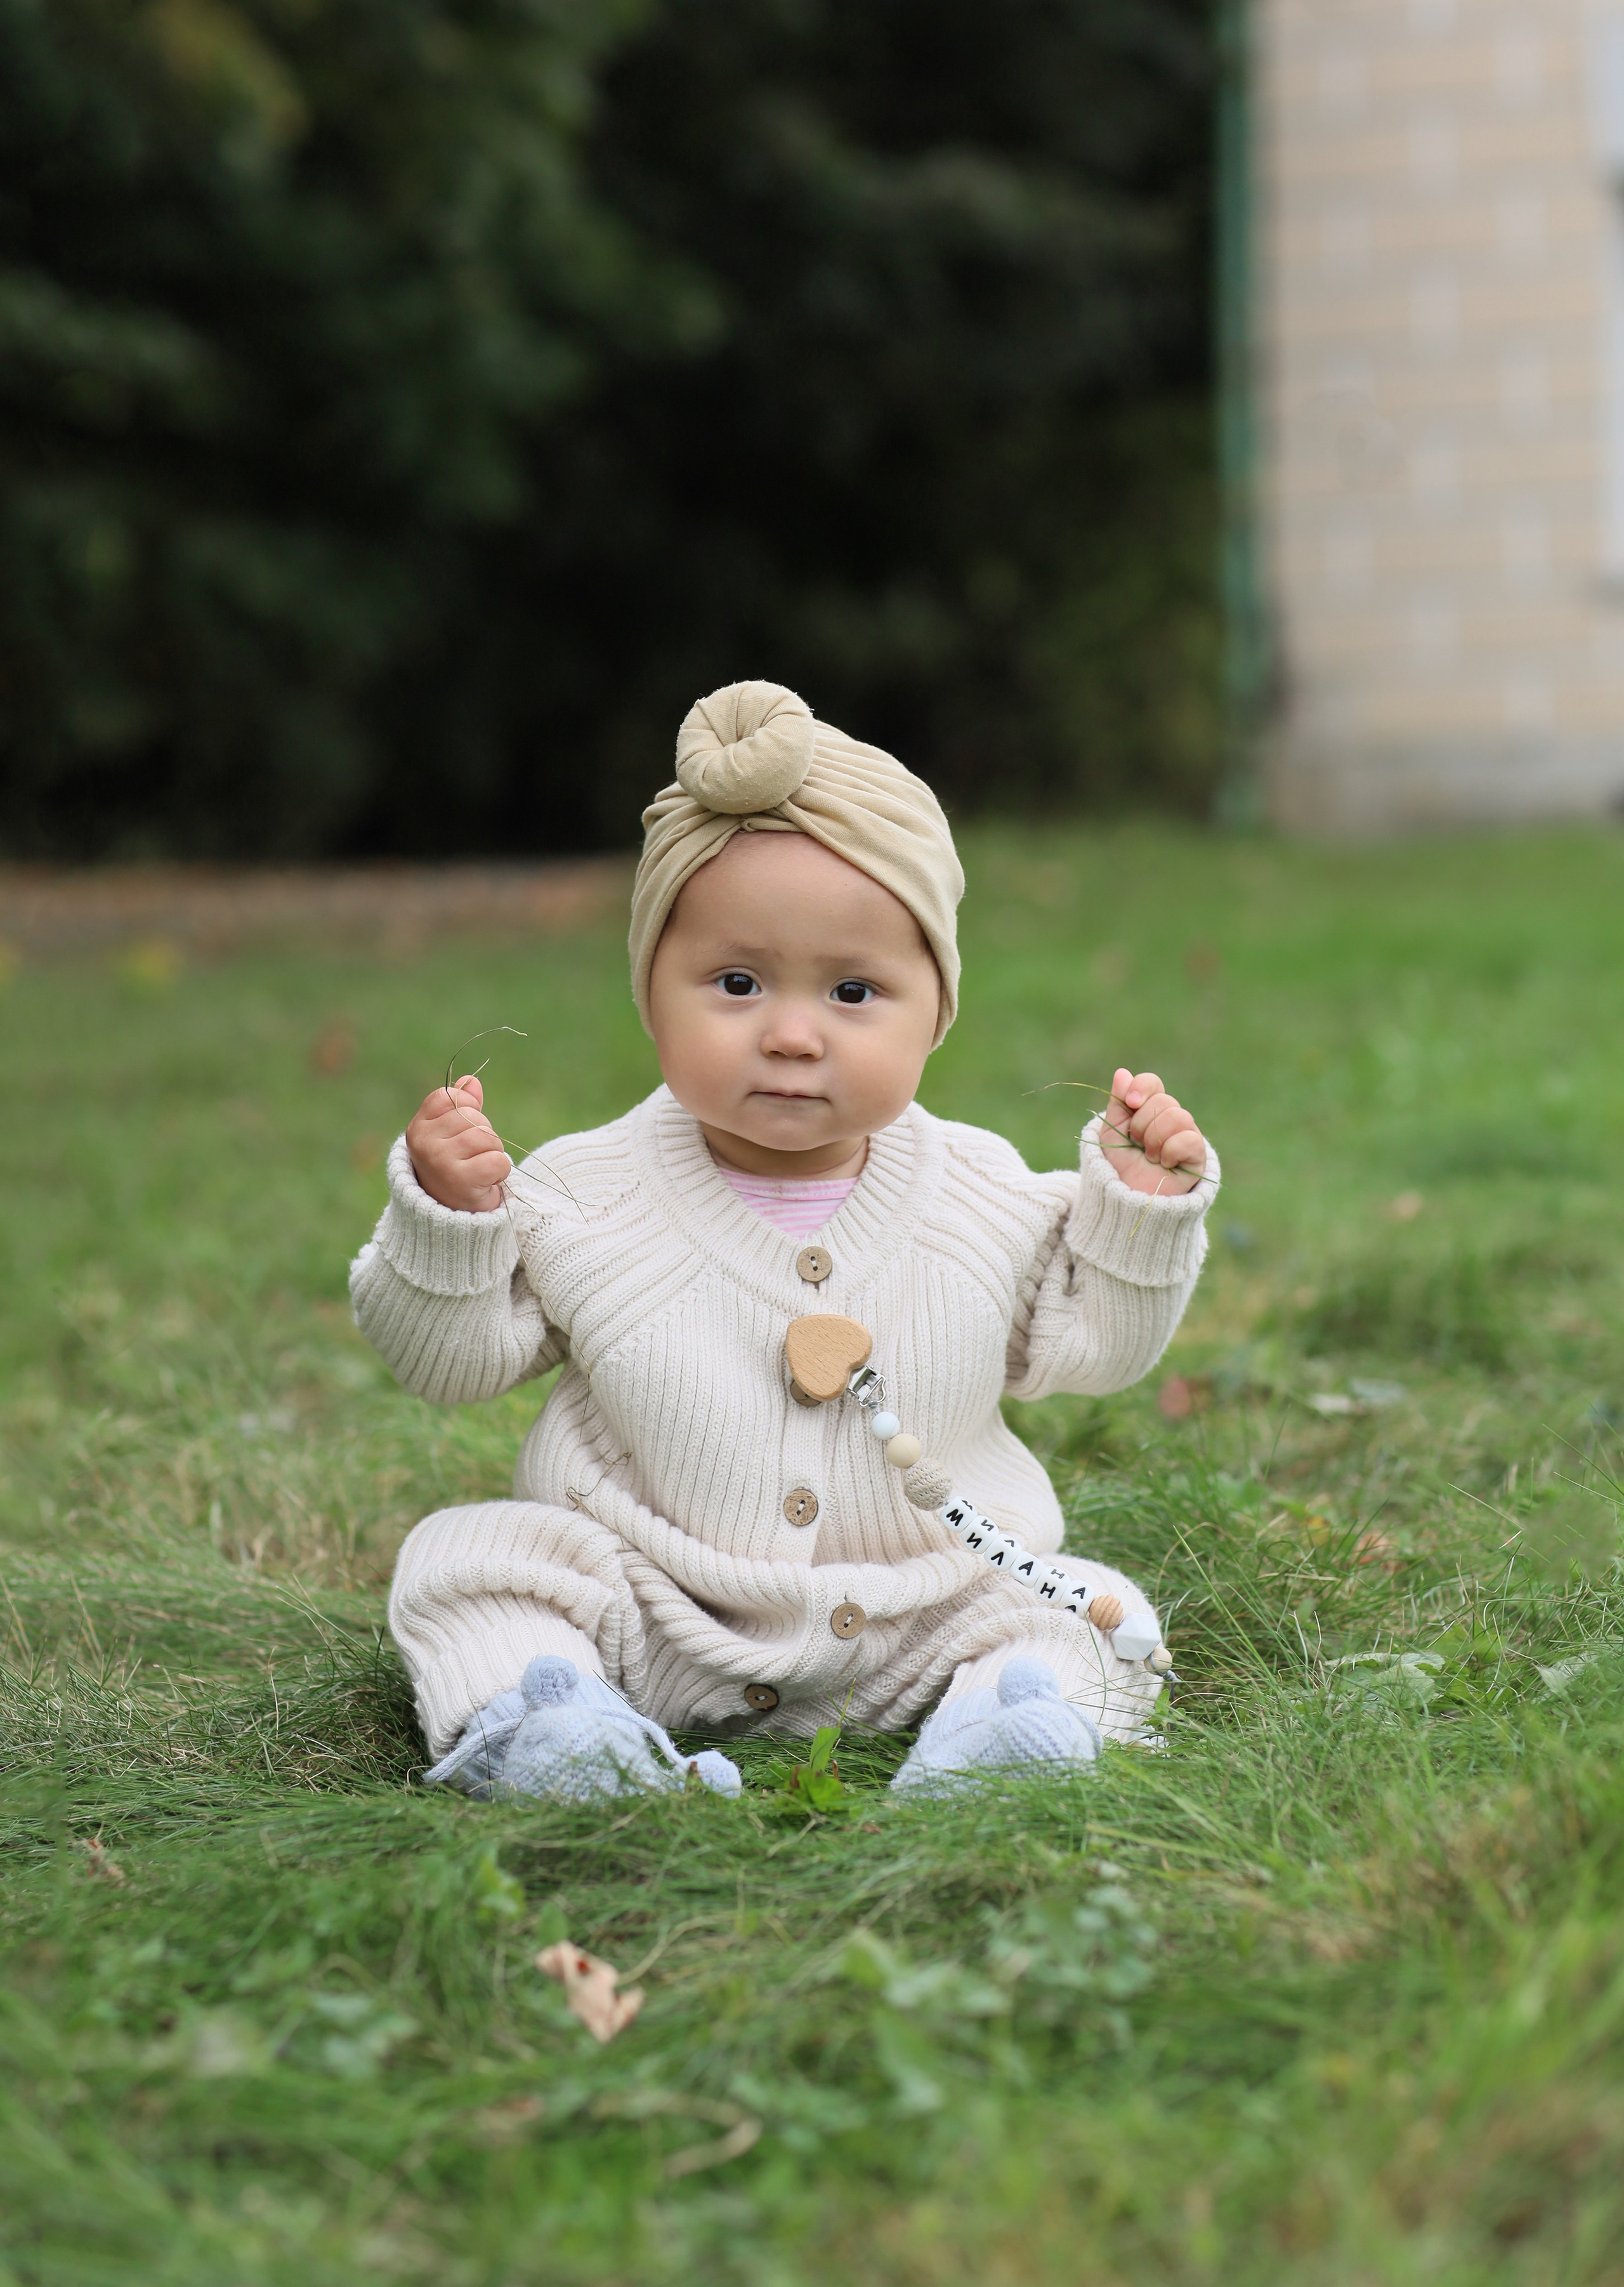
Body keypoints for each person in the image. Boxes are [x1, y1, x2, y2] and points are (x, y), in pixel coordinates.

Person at [351, 681, 1217, 1800]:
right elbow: (446, 1362)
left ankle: (1002, 1740)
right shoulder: (585, 1193)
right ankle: (558, 1736)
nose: (794, 1034)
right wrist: (450, 1222)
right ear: (653, 998)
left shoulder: (982, 1195)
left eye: (854, 991)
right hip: (657, 1605)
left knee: (1085, 1610)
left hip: (921, 1606)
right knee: (470, 1567)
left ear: (934, 1015)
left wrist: (1135, 1215)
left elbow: (1096, 1344)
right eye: (738, 983)